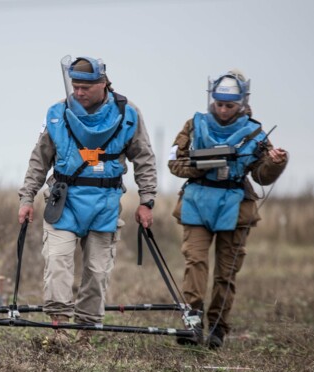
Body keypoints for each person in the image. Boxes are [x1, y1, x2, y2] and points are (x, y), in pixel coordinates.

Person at [18, 56, 158, 345]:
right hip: (63, 202)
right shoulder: (57, 114)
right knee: (57, 262)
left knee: (96, 271)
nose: (79, 93)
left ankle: (86, 333)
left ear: (103, 83)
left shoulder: (128, 114)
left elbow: (144, 158)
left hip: (104, 205)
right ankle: (59, 332)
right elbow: (39, 159)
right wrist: (26, 197)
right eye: (75, 86)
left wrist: (147, 200)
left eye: (85, 87)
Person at [168, 69, 288, 349]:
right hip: (197, 201)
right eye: (219, 103)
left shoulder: (256, 133)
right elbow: (175, 162)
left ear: (243, 103)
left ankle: (218, 329)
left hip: (235, 206)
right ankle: (192, 323)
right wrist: (203, 165)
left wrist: (276, 162)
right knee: (195, 263)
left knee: (226, 271)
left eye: (229, 105)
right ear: (212, 99)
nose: (223, 110)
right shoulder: (194, 125)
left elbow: (261, 176)